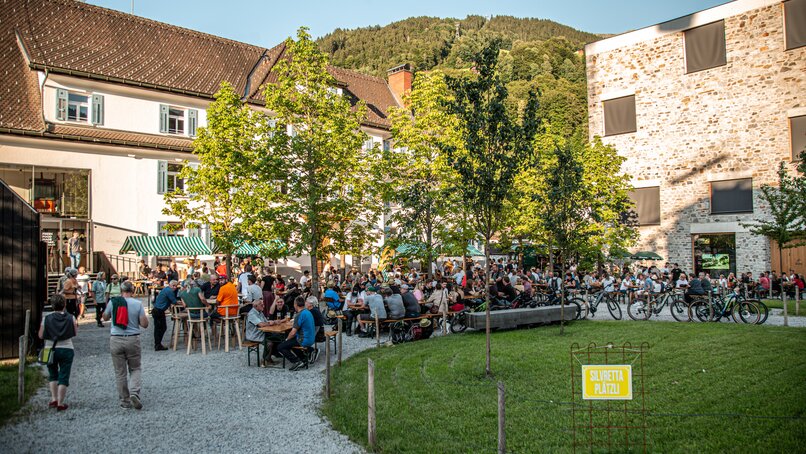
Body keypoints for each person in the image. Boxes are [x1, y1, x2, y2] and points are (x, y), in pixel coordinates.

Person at [102, 281, 148, 409]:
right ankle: (134, 392)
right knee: (135, 368)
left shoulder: (114, 302)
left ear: (121, 291)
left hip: (116, 338)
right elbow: (144, 324)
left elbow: (105, 317)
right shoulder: (138, 304)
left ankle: (124, 401)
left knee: (120, 372)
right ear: (132, 290)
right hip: (132, 339)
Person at [39, 294, 78, 411]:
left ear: (52, 305)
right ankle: (61, 403)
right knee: (64, 375)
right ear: (64, 304)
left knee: (52, 374)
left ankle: (53, 398)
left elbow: (41, 335)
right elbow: (74, 333)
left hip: (49, 348)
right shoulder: (71, 317)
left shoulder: (46, 318)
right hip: (67, 348)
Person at [278, 297, 315, 371]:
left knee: (281, 346)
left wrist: (286, 340)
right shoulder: (308, 312)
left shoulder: (299, 315)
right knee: (290, 342)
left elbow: (293, 332)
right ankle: (303, 359)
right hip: (311, 338)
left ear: (295, 304)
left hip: (303, 340)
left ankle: (296, 361)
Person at [245, 299, 277, 366]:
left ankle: (269, 357)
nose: (263, 306)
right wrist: (270, 323)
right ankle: (264, 360)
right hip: (254, 335)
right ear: (255, 306)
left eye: (263, 304)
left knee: (277, 337)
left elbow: (266, 321)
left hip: (261, 333)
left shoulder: (260, 312)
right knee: (269, 343)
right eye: (261, 304)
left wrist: (273, 322)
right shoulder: (252, 314)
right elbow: (261, 324)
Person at [151, 280, 178, 351]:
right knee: (161, 328)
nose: (175, 287)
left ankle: (158, 344)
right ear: (170, 285)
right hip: (159, 311)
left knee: (158, 328)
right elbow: (174, 301)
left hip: (157, 310)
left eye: (176, 286)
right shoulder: (169, 291)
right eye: (173, 286)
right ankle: (158, 344)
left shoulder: (166, 289)